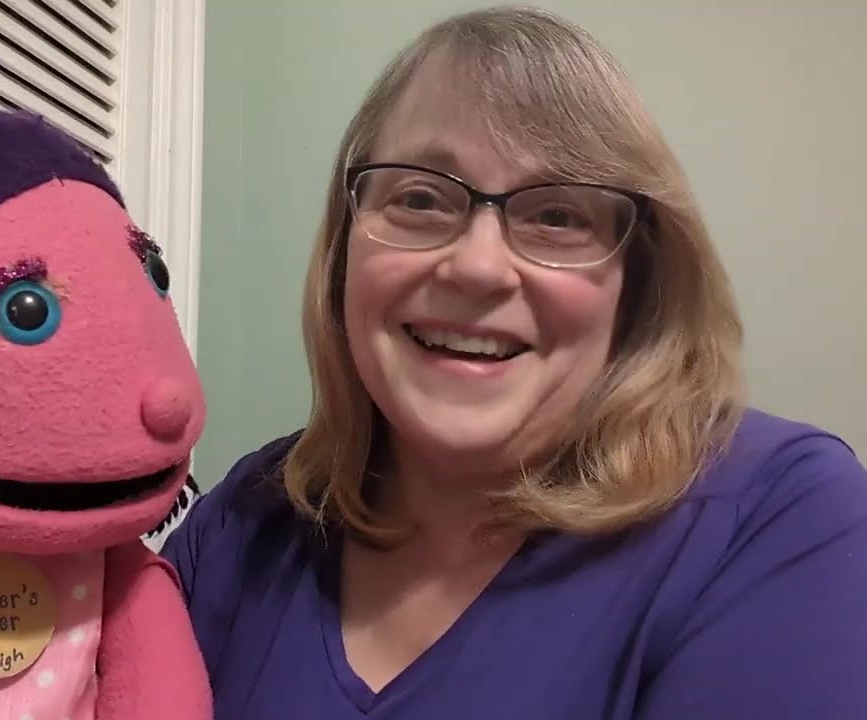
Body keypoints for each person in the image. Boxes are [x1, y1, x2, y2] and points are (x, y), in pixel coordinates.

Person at [161, 6, 867, 719]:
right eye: (420, 198)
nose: (478, 267)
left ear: (638, 284)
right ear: (345, 252)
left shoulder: (778, 518)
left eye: (557, 216)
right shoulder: (245, 522)